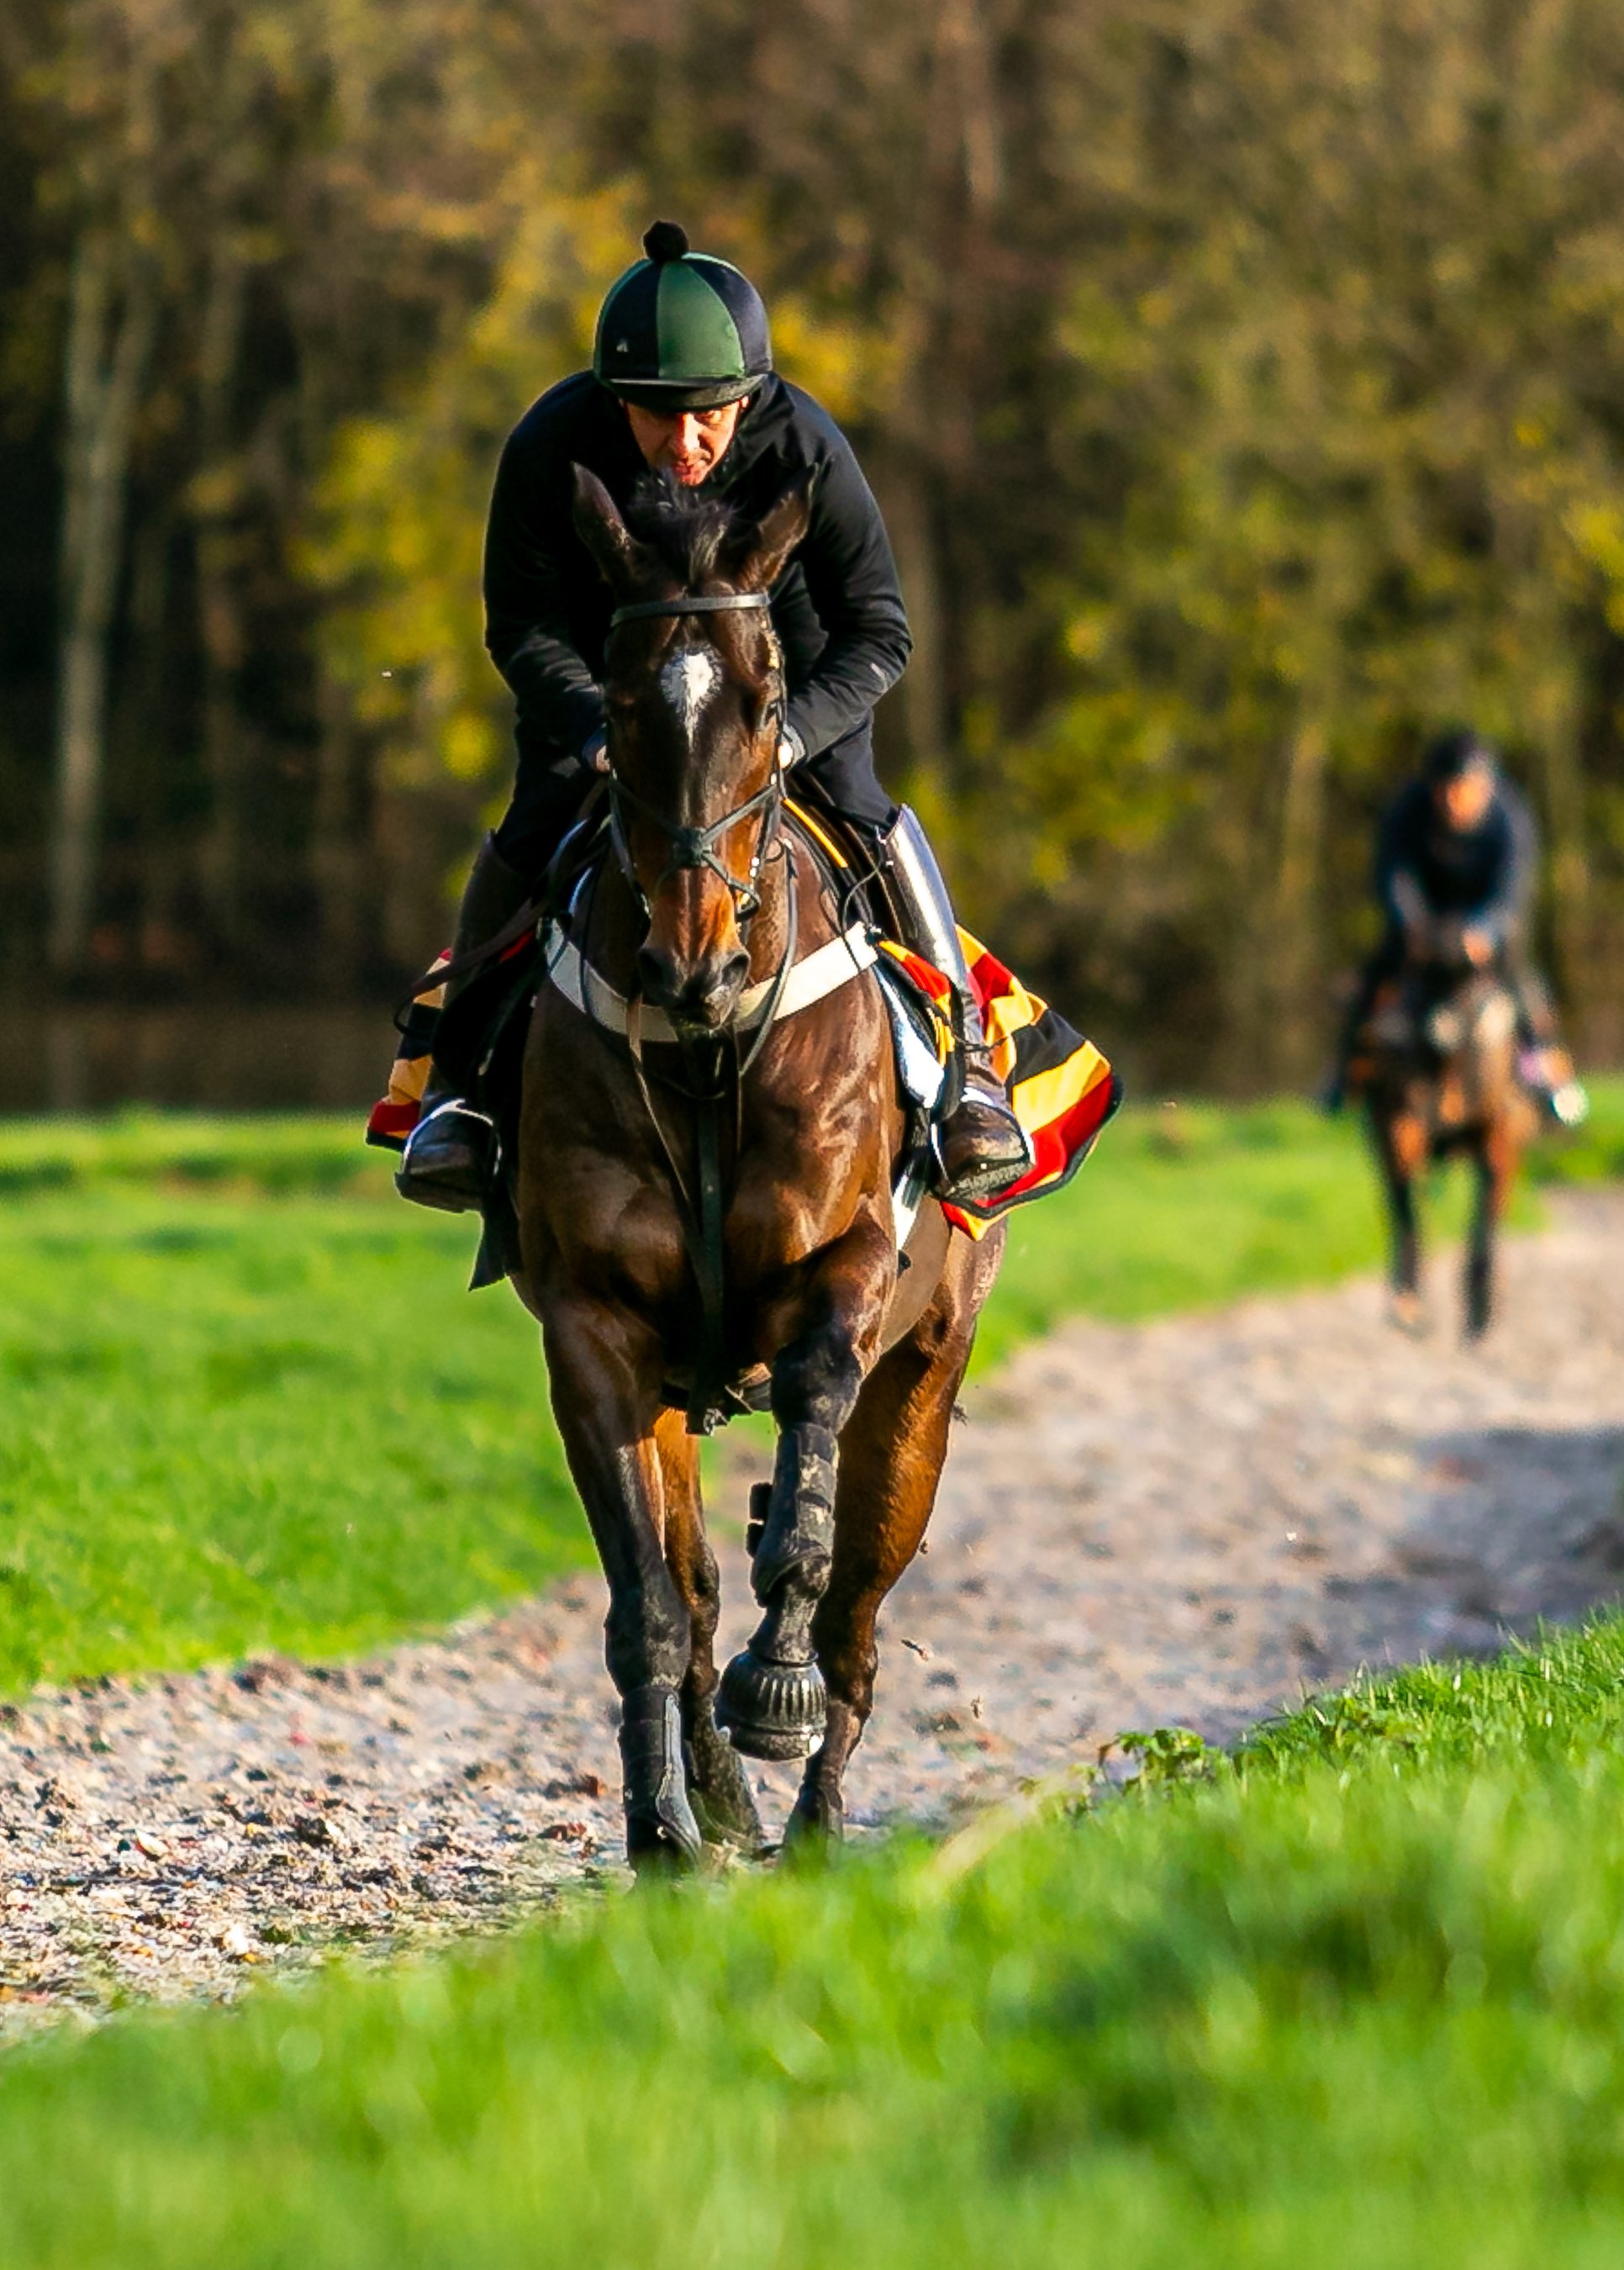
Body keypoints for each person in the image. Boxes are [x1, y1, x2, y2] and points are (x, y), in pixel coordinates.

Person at [398, 219, 1031, 1212]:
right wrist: (600, 730)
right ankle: (456, 1098)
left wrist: (786, 735)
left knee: (864, 811)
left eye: (709, 417)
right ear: (614, 402)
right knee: (533, 826)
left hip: (782, 680)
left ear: (752, 397)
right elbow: (520, 627)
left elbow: (882, 630)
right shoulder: (549, 446)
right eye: (655, 417)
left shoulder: (807, 445)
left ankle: (974, 1085)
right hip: (617, 693)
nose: (684, 443)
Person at [1326, 727, 1586, 1123]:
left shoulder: (1511, 817)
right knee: (1374, 980)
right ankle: (1344, 1074)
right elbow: (1393, 876)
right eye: (1445, 789)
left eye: (1463, 789)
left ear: (1485, 786)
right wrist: (1411, 924)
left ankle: (1549, 1076)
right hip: (1424, 923)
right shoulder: (1406, 811)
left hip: (1487, 924)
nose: (1453, 800)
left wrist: (1487, 929)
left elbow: (1512, 889)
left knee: (1526, 988)